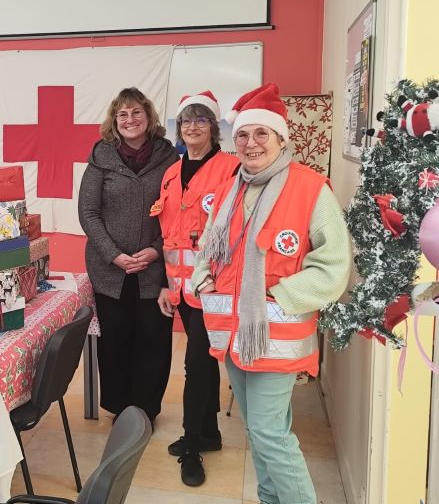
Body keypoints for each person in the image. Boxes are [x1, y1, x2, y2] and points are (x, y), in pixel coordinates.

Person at [192, 83, 352, 504]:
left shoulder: (311, 188)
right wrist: (202, 280)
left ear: (282, 139)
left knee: (270, 434)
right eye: (243, 134)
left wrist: (279, 296)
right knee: (259, 431)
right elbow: (207, 245)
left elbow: (334, 267)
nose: (250, 143)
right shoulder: (231, 188)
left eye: (262, 133)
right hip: (231, 333)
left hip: (275, 337)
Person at [150, 91, 239, 487]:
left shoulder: (232, 168)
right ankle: (210, 434)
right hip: (181, 290)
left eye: (201, 120)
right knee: (204, 361)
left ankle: (191, 445)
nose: (192, 126)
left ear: (214, 127)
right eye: (186, 120)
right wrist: (166, 287)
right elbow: (168, 236)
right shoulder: (172, 171)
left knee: (197, 364)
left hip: (213, 286)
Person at [78, 87, 178, 425]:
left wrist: (156, 250)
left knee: (154, 340)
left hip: (156, 270)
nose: (130, 119)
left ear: (148, 117)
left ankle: (146, 412)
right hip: (111, 271)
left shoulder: (170, 159)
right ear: (114, 120)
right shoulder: (100, 159)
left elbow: (181, 214)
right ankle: (121, 410)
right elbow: (88, 213)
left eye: (136, 112)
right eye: (123, 114)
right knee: (116, 341)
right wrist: (114, 255)